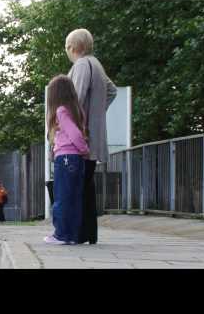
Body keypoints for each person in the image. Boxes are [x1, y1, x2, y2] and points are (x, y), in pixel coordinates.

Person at [66, 28, 117, 244]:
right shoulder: (96, 64)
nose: (67, 51)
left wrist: (67, 128)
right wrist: (97, 113)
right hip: (93, 136)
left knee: (76, 185)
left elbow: (74, 99)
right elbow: (112, 90)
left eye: (67, 47)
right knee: (87, 184)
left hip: (80, 137)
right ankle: (89, 233)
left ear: (73, 47)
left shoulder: (80, 65)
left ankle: (77, 233)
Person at [44, 75, 89, 245]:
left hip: (65, 159)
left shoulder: (61, 111)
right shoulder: (77, 111)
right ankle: (73, 236)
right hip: (76, 160)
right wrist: (82, 152)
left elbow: (75, 135)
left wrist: (84, 149)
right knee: (75, 199)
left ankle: (61, 235)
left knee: (61, 198)